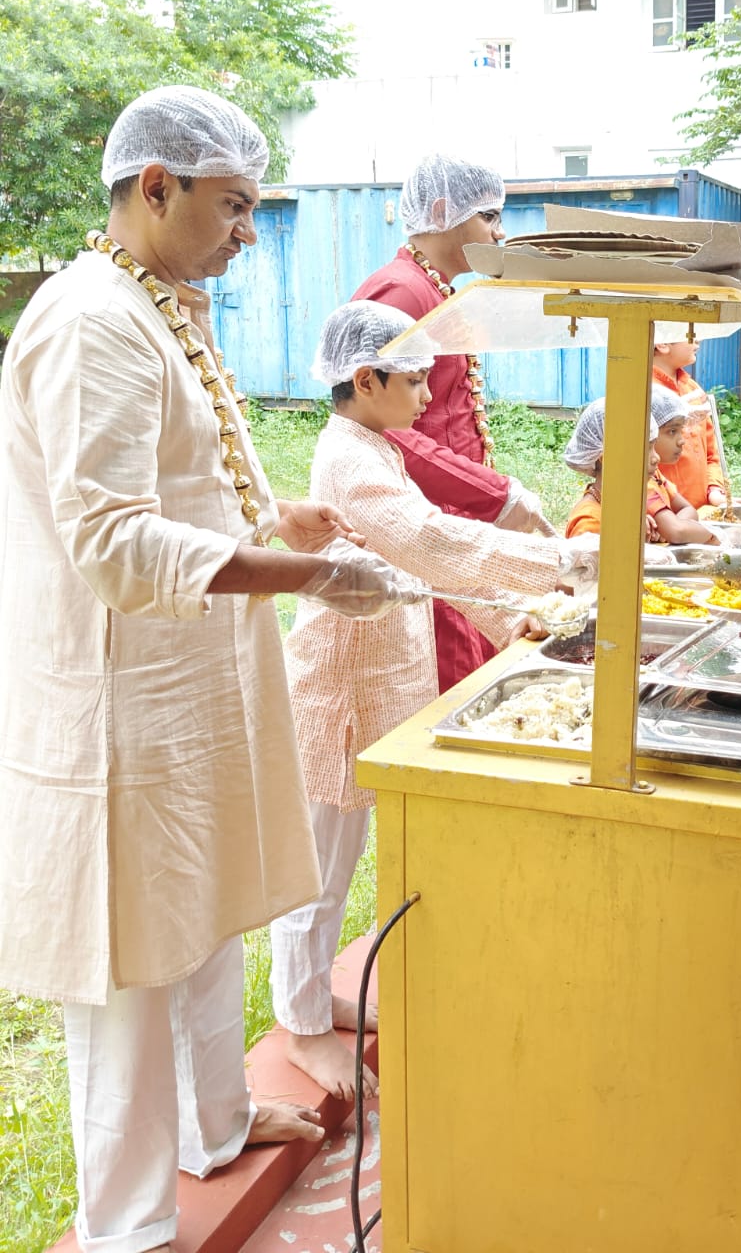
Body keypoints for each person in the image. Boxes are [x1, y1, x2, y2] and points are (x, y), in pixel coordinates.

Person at [0, 87, 412, 1253]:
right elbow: (114, 538)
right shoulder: (94, 319)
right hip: (117, 708)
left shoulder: (157, 302)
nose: (246, 233)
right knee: (132, 966)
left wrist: (279, 518)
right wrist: (311, 574)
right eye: (234, 206)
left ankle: (215, 1126)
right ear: (155, 188)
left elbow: (180, 479)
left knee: (199, 912)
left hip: (187, 689)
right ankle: (128, 1228)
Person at [271, 300, 586, 1100]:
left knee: (341, 855)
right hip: (340, 686)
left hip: (378, 674)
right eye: (414, 380)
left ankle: (315, 999)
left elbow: (422, 565)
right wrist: (563, 562)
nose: (425, 394)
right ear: (366, 379)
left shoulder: (373, 446)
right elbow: (433, 542)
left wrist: (511, 614)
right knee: (318, 865)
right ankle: (301, 1026)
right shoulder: (350, 459)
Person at [354, 152, 556, 692]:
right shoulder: (402, 291)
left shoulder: (430, 285)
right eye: (489, 216)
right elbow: (386, 429)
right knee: (445, 679)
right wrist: (493, 494)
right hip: (422, 515)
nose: (499, 232)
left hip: (452, 508)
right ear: (443, 211)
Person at [563, 392, 716, 544]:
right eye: (645, 449)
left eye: (653, 447)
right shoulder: (589, 522)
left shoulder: (623, 509)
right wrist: (714, 535)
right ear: (607, 458)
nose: (656, 458)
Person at [652, 330, 728, 511]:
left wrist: (714, 490)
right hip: (662, 513)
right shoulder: (643, 390)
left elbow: (711, 452)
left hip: (701, 510)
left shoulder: (692, 388)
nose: (698, 340)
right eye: (689, 333)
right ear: (662, 344)